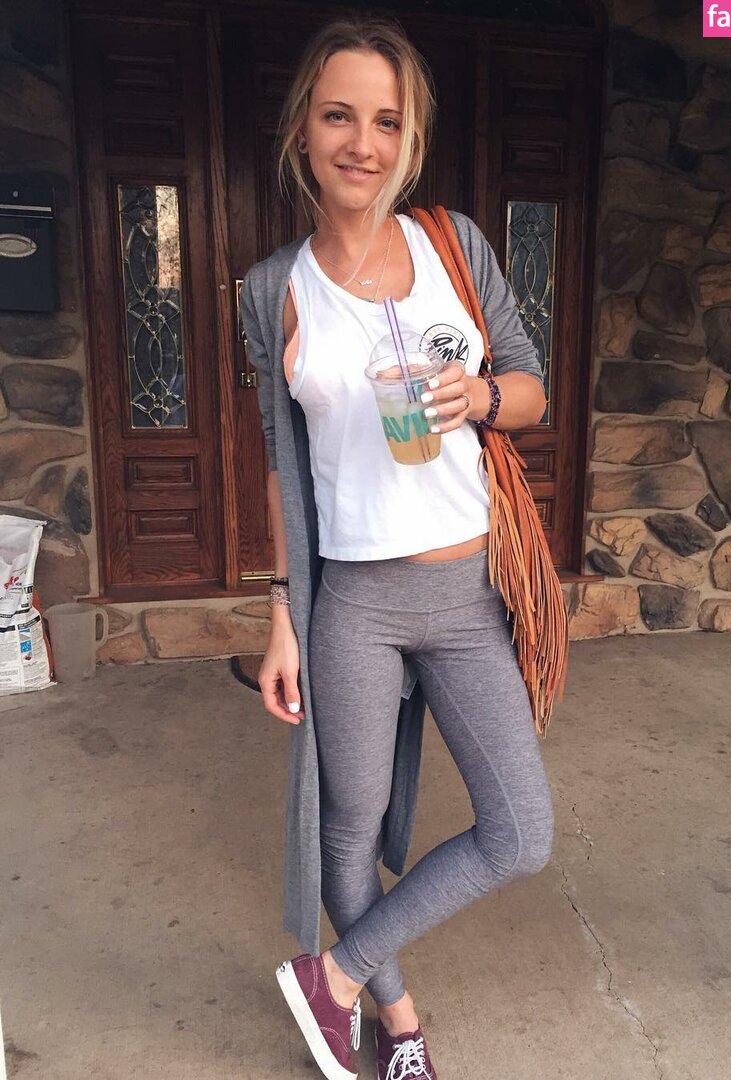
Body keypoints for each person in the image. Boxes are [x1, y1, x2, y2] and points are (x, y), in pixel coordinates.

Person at [241, 17, 555, 1080]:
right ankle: (397, 1021)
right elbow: (281, 462)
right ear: (303, 128)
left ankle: (329, 980)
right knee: (351, 828)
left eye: (386, 121)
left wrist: (479, 397)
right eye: (339, 116)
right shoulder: (274, 290)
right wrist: (282, 611)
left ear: (408, 137)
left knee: (519, 832)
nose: (362, 143)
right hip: (356, 605)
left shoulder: (452, 246)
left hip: (467, 597)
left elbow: (531, 386)